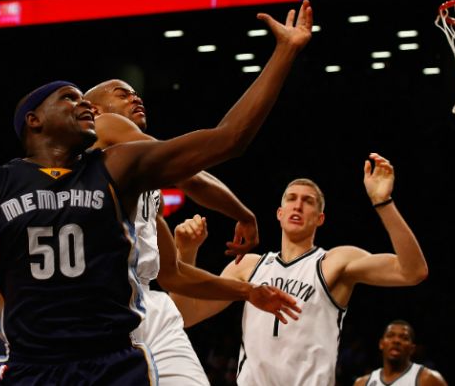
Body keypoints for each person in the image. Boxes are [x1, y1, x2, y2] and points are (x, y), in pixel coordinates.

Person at [0, 0, 313, 385]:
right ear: (33, 121)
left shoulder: (120, 169)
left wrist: (284, 54)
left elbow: (228, 138)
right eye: (68, 98)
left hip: (115, 360)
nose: (83, 105)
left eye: (84, 98)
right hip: (33, 365)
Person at [171, 154, 429, 386]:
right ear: (280, 214)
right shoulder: (248, 266)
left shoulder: (335, 262)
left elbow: (412, 271)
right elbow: (184, 316)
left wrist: (383, 202)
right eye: (291, 199)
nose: (298, 205)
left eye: (308, 201)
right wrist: (185, 253)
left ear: (320, 218)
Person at [84, 78, 260, 386]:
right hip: (101, 305)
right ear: (95, 110)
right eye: (122, 94)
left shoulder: (145, 185)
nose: (135, 98)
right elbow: (190, 174)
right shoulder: (104, 125)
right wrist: (242, 214)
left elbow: (172, 274)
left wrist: (248, 292)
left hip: (148, 304)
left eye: (136, 93)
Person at [353, 320, 448, 386]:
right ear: (381, 344)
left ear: (412, 348)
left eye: (404, 337)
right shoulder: (362, 383)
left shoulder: (428, 379)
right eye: (390, 336)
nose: (396, 341)